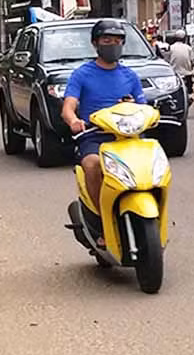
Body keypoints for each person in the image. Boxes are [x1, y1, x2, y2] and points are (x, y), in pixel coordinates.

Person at [61, 20, 146, 241]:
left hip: (129, 137)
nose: (113, 45)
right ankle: (101, 222)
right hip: (95, 136)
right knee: (92, 164)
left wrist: (134, 107)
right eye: (107, 41)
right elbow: (68, 107)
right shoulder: (82, 74)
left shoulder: (130, 76)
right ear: (95, 43)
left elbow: (144, 107)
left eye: (118, 41)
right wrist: (73, 121)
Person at [168, 29, 194, 100]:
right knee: (189, 92)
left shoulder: (171, 48)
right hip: (187, 74)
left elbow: (167, 61)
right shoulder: (188, 48)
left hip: (175, 74)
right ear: (184, 38)